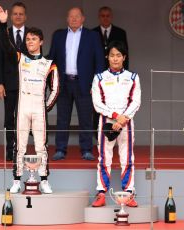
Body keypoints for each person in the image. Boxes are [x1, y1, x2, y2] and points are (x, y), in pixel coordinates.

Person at [0, 5, 59, 194]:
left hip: (39, 108)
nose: (30, 41)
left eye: (34, 39)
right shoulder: (20, 58)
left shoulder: (49, 64)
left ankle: (44, 179)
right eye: (28, 39)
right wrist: (2, 24)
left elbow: (55, 90)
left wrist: (45, 108)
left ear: (41, 41)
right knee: (19, 145)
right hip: (22, 107)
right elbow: (5, 45)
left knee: (41, 145)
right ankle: (17, 179)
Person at [49, 7, 105, 161]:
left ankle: (86, 149)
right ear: (67, 19)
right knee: (62, 118)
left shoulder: (92, 36)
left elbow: (100, 62)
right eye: (71, 16)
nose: (74, 19)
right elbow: (51, 59)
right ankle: (60, 149)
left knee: (86, 118)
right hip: (64, 82)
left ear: (83, 19)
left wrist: (96, 85)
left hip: (84, 83)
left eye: (77, 16)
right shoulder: (58, 36)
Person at [91, 41, 141, 207]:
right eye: (112, 55)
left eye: (118, 55)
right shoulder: (99, 78)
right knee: (104, 157)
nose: (115, 59)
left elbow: (136, 101)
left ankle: (128, 193)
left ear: (124, 57)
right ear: (107, 57)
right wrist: (114, 116)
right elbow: (97, 102)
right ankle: (101, 192)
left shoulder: (133, 77)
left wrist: (123, 118)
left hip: (126, 122)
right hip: (107, 121)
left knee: (127, 158)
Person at [0, 2, 28, 161]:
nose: (18, 16)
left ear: (25, 16)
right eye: (15, 13)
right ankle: (10, 150)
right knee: (10, 118)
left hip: (28, 83)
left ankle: (23, 149)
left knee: (25, 118)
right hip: (9, 84)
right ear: (11, 16)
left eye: (21, 13)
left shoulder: (32, 33)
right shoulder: (4, 33)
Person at [92, 6, 129, 141]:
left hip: (118, 78)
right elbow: (90, 59)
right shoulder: (93, 33)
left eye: (108, 15)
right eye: (102, 15)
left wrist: (125, 78)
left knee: (119, 105)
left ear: (111, 17)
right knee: (99, 108)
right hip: (100, 78)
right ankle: (100, 138)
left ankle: (119, 137)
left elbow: (126, 57)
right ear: (99, 17)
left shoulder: (120, 32)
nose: (105, 18)